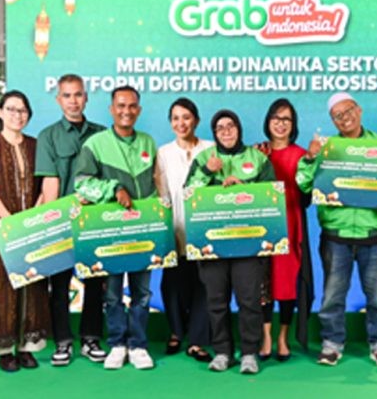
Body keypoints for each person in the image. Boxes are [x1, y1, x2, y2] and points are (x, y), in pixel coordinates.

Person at [296, 92, 377, 368]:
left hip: (374, 234)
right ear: (332, 121)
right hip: (336, 235)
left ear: (360, 110)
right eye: (337, 115)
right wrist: (310, 157)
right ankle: (331, 344)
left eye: (348, 111)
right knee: (332, 296)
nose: (345, 118)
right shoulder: (326, 149)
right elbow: (303, 184)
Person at [185, 109, 276, 374]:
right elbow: (189, 194)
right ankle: (223, 351)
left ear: (239, 128)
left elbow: (271, 197)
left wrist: (243, 189)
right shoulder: (204, 158)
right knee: (216, 301)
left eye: (231, 125)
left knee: (249, 300)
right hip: (213, 243)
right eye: (220, 127)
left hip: (248, 244)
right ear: (214, 133)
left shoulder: (258, 158)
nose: (226, 131)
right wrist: (207, 171)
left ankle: (249, 353)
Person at [74, 86, 157, 370]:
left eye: (132, 106)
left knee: (142, 293)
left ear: (139, 110)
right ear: (111, 109)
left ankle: (138, 345)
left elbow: (155, 185)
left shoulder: (148, 143)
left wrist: (159, 215)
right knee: (112, 294)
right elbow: (82, 183)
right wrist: (115, 188)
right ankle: (117, 344)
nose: (126, 111)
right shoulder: (95, 144)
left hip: (143, 231)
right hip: (110, 232)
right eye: (121, 106)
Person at [35, 74, 107, 367]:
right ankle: (62, 342)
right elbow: (49, 183)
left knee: (95, 283)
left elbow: (106, 179)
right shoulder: (48, 136)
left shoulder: (102, 134)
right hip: (62, 221)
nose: (73, 101)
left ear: (86, 98)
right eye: (67, 95)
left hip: (94, 221)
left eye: (78, 94)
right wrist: (50, 224)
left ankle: (91, 338)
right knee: (60, 286)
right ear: (58, 99)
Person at [0, 90, 50, 372]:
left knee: (32, 282)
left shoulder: (35, 145)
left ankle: (27, 347)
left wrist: (33, 216)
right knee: (1, 283)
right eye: (11, 109)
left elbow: (45, 184)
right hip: (1, 227)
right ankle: (5, 350)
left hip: (32, 226)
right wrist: (12, 222)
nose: (17, 115)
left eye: (22, 110)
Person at [155, 98, 213, 363]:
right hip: (174, 225)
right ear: (171, 123)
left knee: (205, 284)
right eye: (176, 118)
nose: (181, 123)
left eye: (186, 117)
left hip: (204, 229)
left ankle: (198, 340)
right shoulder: (163, 153)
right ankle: (176, 332)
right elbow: (161, 193)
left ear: (196, 121)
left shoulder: (211, 149)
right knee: (172, 283)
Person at [256, 98, 313, 361]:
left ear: (293, 124)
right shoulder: (256, 153)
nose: (281, 124)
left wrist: (311, 161)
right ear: (268, 121)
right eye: (276, 118)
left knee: (287, 283)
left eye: (286, 119)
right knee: (263, 282)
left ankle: (283, 337)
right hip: (262, 228)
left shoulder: (302, 156)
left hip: (291, 225)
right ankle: (266, 335)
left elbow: (306, 193)